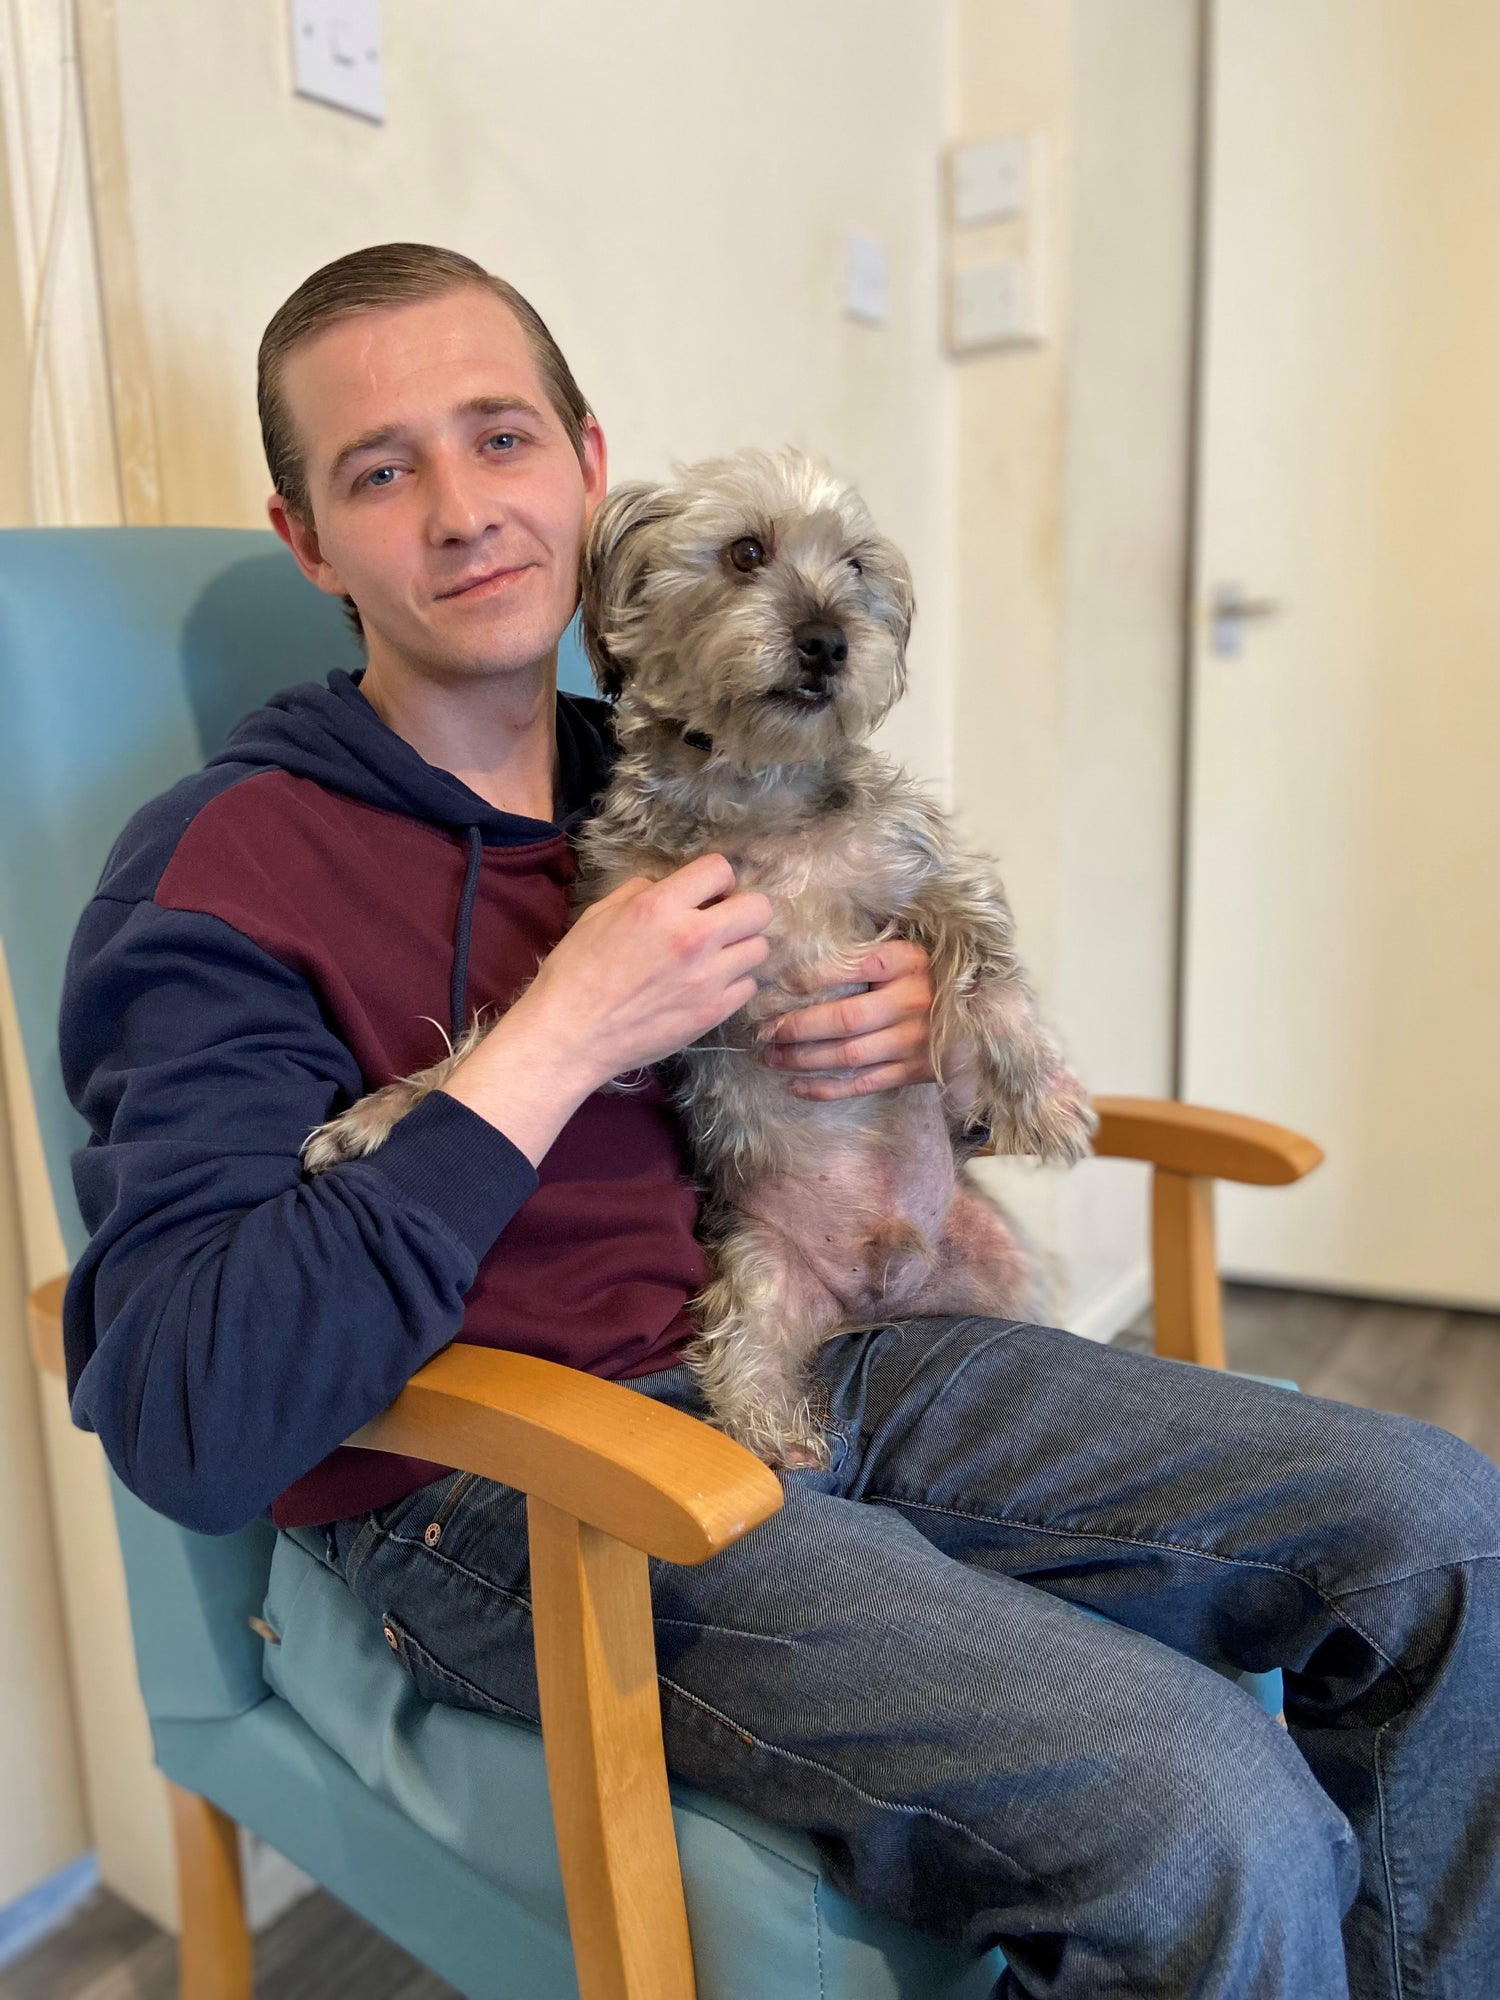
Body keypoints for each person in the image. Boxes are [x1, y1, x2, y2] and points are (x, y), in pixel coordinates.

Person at [60, 244, 1499, 1999]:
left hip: (835, 1347)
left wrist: (911, 1058)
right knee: (1207, 1810)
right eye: (380, 470)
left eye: (500, 438)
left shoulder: (705, 766)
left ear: (593, 479)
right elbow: (181, 1405)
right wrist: (550, 1043)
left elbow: (837, 1113)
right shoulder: (229, 868)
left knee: (1447, 1527)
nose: (457, 511)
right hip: (520, 1484)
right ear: (308, 543)